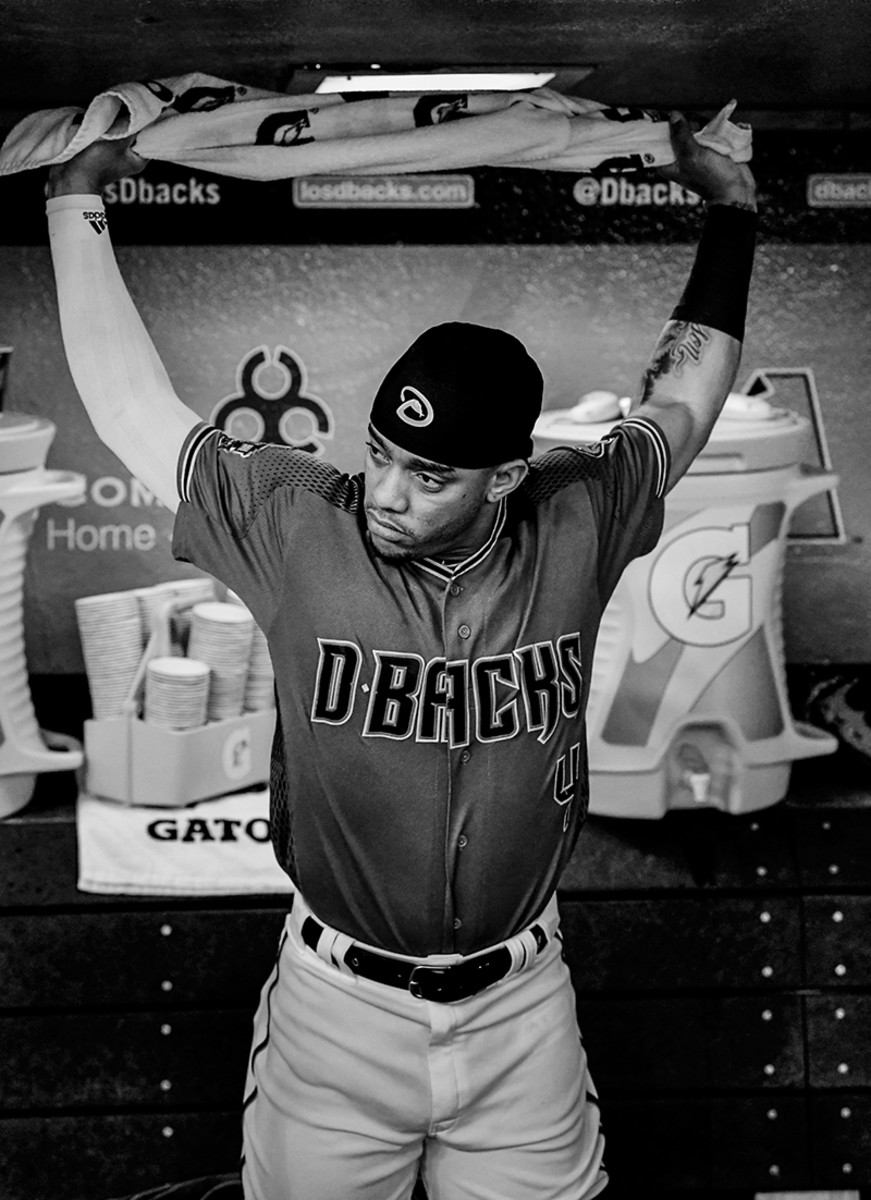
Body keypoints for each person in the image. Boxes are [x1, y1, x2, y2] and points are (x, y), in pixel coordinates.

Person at [46, 110, 756, 1200]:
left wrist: (733, 209)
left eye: (429, 476)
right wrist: (76, 200)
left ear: (504, 478)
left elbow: (684, 399)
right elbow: (130, 404)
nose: (384, 492)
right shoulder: (295, 523)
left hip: (522, 1010)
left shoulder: (579, 510)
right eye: (380, 453)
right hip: (338, 1013)